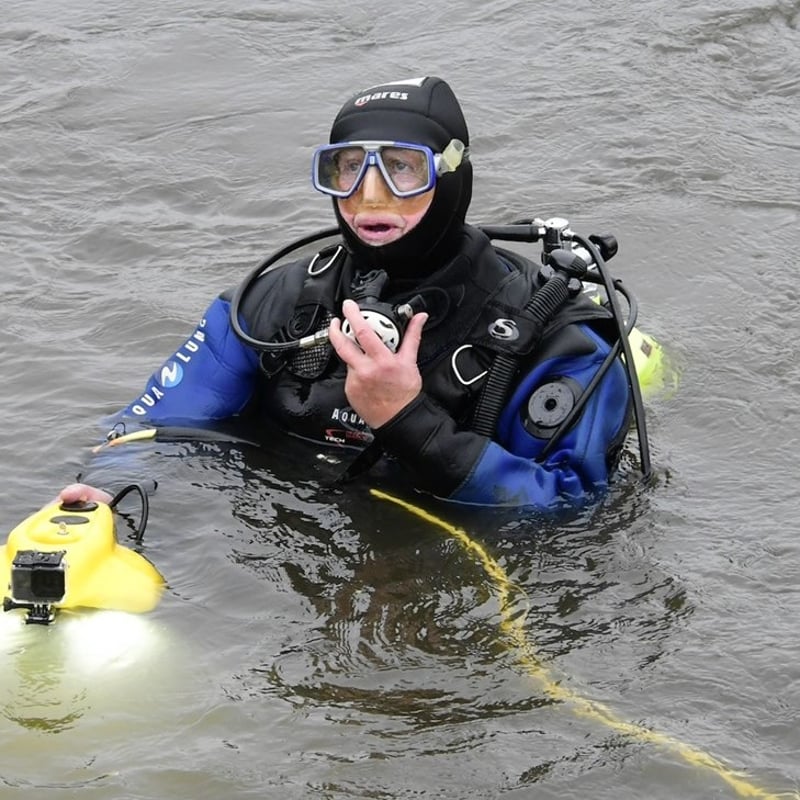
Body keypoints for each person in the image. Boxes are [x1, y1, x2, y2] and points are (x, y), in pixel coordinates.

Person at [61, 75, 637, 511]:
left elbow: (571, 507)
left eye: (402, 169)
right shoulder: (273, 302)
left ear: (453, 175)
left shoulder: (557, 337)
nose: (369, 197)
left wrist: (409, 420)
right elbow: (153, 427)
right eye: (346, 170)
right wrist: (106, 489)